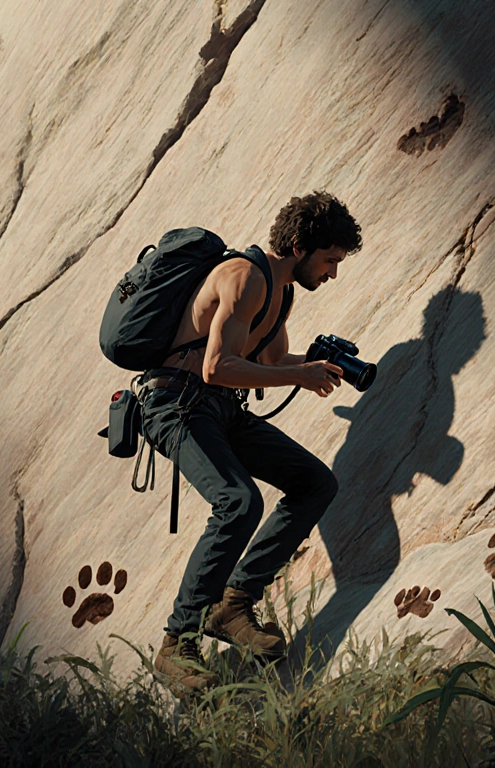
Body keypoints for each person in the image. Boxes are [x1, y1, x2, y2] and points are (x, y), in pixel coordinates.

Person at [138, 191, 362, 692]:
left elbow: (271, 361)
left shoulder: (281, 293)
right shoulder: (244, 277)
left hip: (217, 409)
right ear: (302, 246)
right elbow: (218, 367)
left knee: (313, 483)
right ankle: (178, 642)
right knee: (238, 501)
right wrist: (299, 376)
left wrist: (315, 364)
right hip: (175, 403)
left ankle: (233, 604)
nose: (332, 273)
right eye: (329, 260)